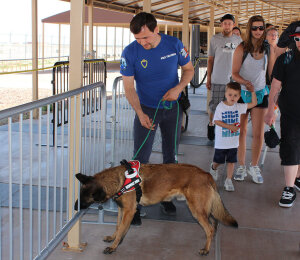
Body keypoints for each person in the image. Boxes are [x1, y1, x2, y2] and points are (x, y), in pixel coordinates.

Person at [120, 12, 194, 223]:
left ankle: (166, 197)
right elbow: (128, 87)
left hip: (172, 109)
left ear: (156, 30)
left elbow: (188, 69)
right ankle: (133, 205)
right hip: (146, 109)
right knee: (140, 159)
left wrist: (179, 88)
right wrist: (140, 113)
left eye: (146, 38)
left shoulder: (174, 44)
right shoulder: (130, 52)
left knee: (171, 156)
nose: (142, 43)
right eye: (138, 39)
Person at [231, 15, 275, 184]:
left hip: (260, 94)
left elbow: (270, 75)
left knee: (258, 133)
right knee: (241, 132)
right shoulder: (241, 48)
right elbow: (234, 73)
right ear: (249, 29)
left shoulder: (268, 49)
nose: (258, 31)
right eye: (254, 28)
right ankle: (241, 166)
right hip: (242, 94)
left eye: (261, 28)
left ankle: (254, 166)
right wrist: (245, 83)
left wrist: (273, 98)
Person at [264, 22, 300, 208]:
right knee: (290, 147)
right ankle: (289, 188)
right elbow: (275, 87)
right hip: (290, 112)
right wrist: (270, 110)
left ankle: (297, 178)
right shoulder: (285, 59)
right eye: (297, 39)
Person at [209, 82, 257, 191]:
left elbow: (254, 103)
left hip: (233, 142)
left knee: (231, 161)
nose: (232, 97)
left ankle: (228, 180)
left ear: (239, 96)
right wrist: (230, 127)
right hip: (221, 142)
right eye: (230, 94)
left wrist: (252, 91)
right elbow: (216, 121)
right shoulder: (221, 106)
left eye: (235, 95)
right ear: (225, 94)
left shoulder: (239, 107)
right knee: (219, 161)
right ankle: (213, 167)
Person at [206, 14, 242, 141]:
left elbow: (241, 61)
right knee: (215, 106)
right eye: (225, 23)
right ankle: (211, 125)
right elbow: (210, 60)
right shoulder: (215, 39)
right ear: (221, 25)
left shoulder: (238, 41)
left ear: (233, 25)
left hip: (233, 80)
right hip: (217, 78)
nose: (227, 26)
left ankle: (226, 129)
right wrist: (208, 78)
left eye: (229, 23)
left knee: (231, 107)